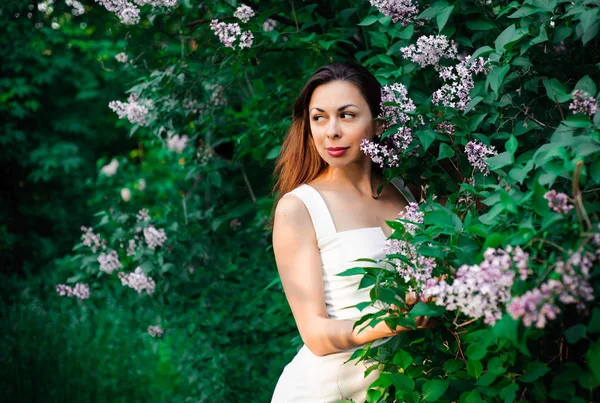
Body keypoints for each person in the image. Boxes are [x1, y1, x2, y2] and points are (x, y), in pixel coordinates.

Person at [270, 62, 433, 403]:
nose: (331, 131)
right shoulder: (299, 208)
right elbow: (315, 334)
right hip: (326, 392)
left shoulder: (411, 193)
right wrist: (398, 319)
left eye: (346, 115)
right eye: (319, 117)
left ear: (379, 123)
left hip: (408, 387)